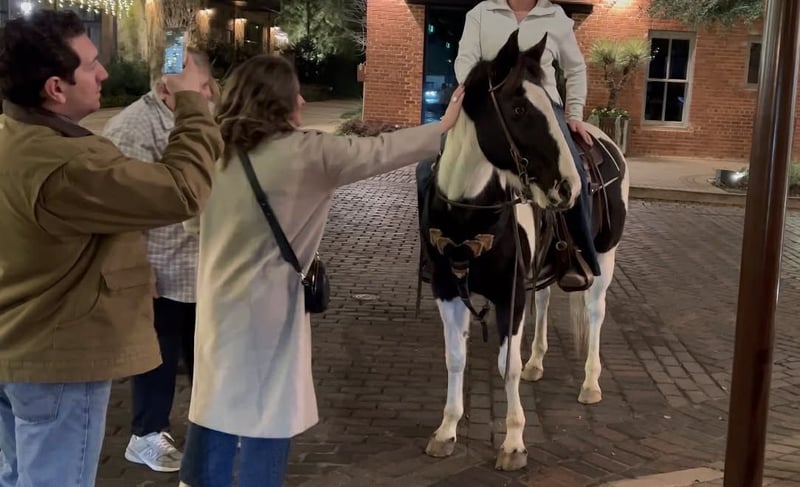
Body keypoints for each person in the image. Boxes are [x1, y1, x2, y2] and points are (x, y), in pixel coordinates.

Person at [177, 54, 464, 487]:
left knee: (213, 409)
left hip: (217, 310)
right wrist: (442, 127)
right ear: (278, 101)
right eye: (295, 93)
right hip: (272, 314)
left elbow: (191, 223)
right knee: (269, 418)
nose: (303, 101)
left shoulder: (213, 153)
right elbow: (381, 151)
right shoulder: (308, 154)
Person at [0, 10, 222, 487]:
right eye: (91, 64)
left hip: (23, 348)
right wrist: (190, 102)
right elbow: (182, 192)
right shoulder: (67, 163)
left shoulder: (17, 135)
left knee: (19, 473)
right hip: (57, 360)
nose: (103, 73)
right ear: (55, 89)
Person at [416, 0, 600, 281]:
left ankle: (577, 254)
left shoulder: (556, 17)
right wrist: (480, 97)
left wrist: (574, 114)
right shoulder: (481, 13)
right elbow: (465, 60)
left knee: (575, 172)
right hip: (487, 109)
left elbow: (575, 69)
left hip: (541, 111)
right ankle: (431, 252)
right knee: (426, 168)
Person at [103, 47, 215, 473]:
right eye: (201, 86)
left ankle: (210, 427)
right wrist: (137, 266)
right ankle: (146, 434)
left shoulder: (195, 116)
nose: (208, 94)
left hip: (198, 265)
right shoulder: (133, 127)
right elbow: (122, 205)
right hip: (158, 265)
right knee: (157, 356)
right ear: (166, 86)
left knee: (202, 352)